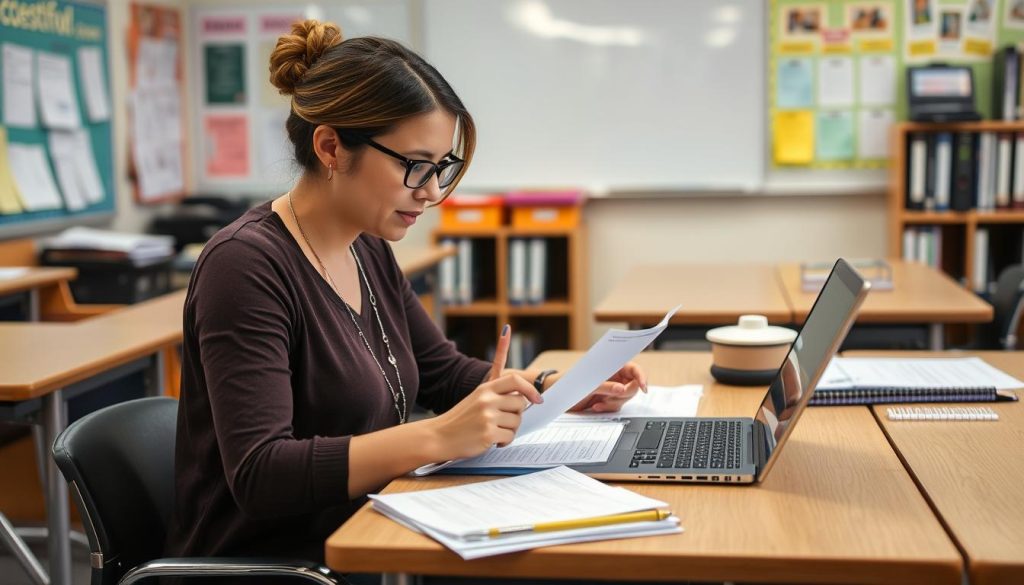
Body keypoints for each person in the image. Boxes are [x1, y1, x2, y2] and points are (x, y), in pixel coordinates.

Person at [164, 19, 648, 574]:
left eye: (441, 168)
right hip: (278, 568)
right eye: (414, 166)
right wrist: (439, 435)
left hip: (370, 534)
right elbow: (261, 474)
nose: (433, 191)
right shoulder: (244, 267)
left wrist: (555, 391)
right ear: (330, 147)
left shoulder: (366, 247)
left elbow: (442, 373)